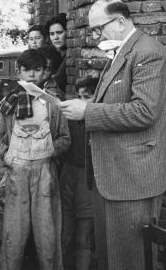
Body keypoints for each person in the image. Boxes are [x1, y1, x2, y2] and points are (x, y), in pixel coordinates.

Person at [58, 0, 166, 270]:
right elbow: (119, 104)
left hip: (133, 179)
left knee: (129, 260)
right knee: (112, 258)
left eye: (99, 28)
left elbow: (145, 112)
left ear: (121, 21)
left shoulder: (148, 52)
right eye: (92, 30)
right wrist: (86, 106)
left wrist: (87, 112)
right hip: (112, 176)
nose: (95, 36)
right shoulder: (123, 52)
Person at [0, 49, 70, 270]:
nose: (32, 75)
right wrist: (7, 156)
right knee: (13, 235)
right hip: (17, 174)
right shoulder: (10, 102)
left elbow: (65, 138)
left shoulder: (54, 104)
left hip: (45, 174)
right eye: (26, 69)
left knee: (48, 234)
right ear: (19, 71)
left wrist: (50, 152)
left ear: (45, 73)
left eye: (37, 70)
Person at [60, 77, 99, 270]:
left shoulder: (101, 123)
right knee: (64, 230)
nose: (81, 101)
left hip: (87, 180)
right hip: (68, 177)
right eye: (79, 97)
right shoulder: (71, 121)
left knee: (84, 236)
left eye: (87, 97)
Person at [44, 14, 67, 93]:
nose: (55, 37)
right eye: (52, 34)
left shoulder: (69, 56)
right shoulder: (52, 54)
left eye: (59, 32)